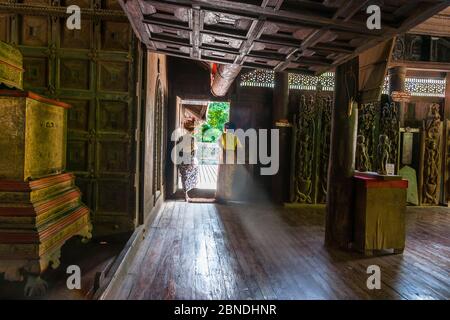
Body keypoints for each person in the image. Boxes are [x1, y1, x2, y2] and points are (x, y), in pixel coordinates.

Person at [216, 122, 241, 202]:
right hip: (232, 158)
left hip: (223, 157)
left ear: (226, 128)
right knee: (229, 177)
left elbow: (220, 145)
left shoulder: (223, 136)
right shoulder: (235, 137)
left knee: (222, 176)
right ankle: (226, 197)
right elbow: (240, 148)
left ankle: (221, 196)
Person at [177, 119, 199, 202]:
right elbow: (194, 152)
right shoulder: (192, 139)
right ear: (192, 130)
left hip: (182, 159)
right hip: (189, 160)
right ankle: (186, 194)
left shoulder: (180, 138)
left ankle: (185, 195)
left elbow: (179, 150)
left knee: (184, 177)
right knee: (190, 175)